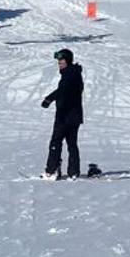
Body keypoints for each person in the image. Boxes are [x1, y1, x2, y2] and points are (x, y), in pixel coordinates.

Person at [42, 48, 85, 180]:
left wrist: (48, 99)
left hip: (65, 116)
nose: (59, 63)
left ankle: (52, 170)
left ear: (67, 61)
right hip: (74, 116)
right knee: (72, 144)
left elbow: (63, 90)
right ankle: (73, 172)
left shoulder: (70, 75)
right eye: (58, 61)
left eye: (61, 61)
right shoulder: (74, 73)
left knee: (56, 142)